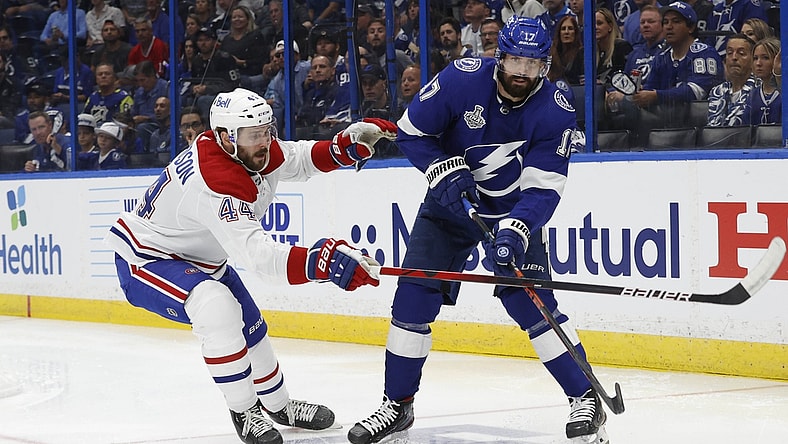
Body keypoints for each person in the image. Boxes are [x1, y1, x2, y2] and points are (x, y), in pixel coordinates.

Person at [348, 16, 602, 444]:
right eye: (516, 60)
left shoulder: (556, 107)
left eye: (534, 63)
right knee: (412, 299)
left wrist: (516, 229)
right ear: (498, 56)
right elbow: (411, 133)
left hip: (511, 211)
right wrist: (440, 169)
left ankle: (585, 397)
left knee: (531, 304)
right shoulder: (460, 80)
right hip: (449, 207)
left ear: (545, 66)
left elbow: (544, 187)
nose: (523, 72)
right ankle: (397, 405)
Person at [105, 88, 397, 444]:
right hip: (146, 259)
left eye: (267, 130)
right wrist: (320, 263)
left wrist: (341, 147)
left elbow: (300, 158)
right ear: (227, 138)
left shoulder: (252, 151)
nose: (265, 141)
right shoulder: (216, 181)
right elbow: (259, 259)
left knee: (251, 326)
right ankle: (244, 411)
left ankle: (279, 404)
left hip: (199, 257)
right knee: (217, 308)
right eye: (254, 134)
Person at [632, 2, 722, 127]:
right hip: (667, 123)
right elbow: (650, 87)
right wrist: (642, 94)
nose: (669, 27)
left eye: (676, 21)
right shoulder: (662, 57)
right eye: (666, 22)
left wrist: (656, 96)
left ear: (690, 27)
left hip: (703, 125)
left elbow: (696, 92)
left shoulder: (705, 53)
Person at [707, 33, 756, 127]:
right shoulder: (717, 91)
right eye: (729, 53)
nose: (734, 57)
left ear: (753, 60)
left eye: (741, 53)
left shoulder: (759, 90)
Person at [221, 5, 267, 94]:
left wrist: (242, 62)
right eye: (234, 17)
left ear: (248, 19)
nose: (237, 19)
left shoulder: (256, 36)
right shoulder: (227, 39)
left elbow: (261, 59)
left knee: (241, 82)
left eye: (240, 17)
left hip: (251, 74)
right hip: (230, 75)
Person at [83, 62, 134, 127]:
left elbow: (125, 123)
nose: (103, 76)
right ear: (96, 79)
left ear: (114, 78)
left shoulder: (123, 97)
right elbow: (84, 118)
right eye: (100, 74)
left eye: (107, 74)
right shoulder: (92, 97)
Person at [748, 37, 781, 124]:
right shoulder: (751, 96)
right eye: (755, 58)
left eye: (765, 58)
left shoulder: (784, 93)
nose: (758, 63)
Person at [595, 8, 633, 86]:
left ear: (610, 26)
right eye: (593, 24)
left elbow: (626, 77)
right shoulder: (588, 52)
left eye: (599, 23)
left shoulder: (621, 47)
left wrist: (603, 84)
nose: (595, 27)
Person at [547, 15, 584, 86]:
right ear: (559, 32)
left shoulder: (582, 54)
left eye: (570, 28)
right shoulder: (552, 54)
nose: (566, 32)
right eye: (563, 29)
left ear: (575, 32)